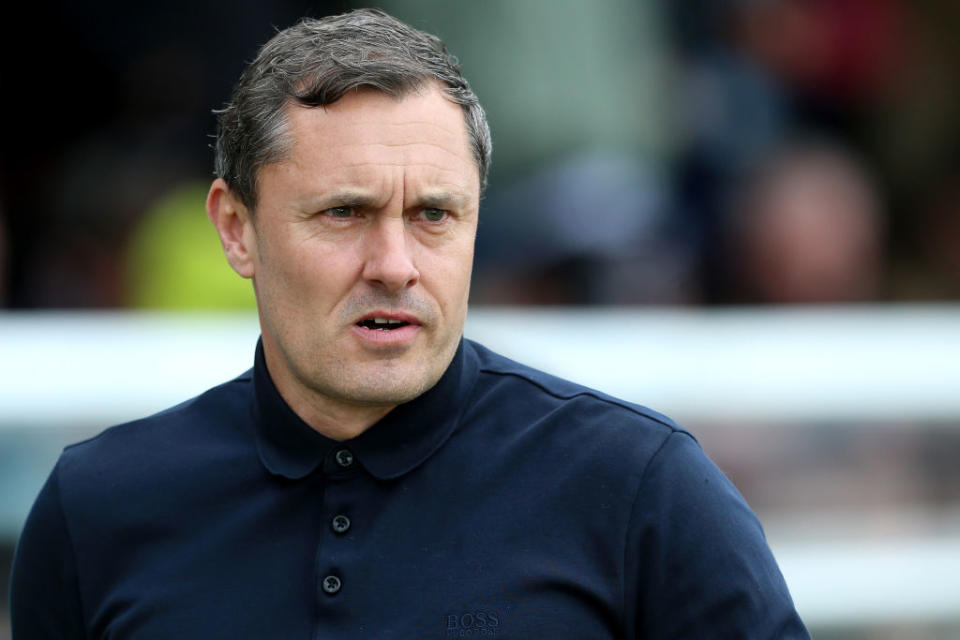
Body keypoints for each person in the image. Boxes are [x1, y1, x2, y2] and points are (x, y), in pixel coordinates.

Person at [10, 9, 810, 638]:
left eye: (433, 214)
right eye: (344, 212)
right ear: (237, 229)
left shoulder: (641, 490)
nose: (395, 263)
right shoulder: (98, 509)